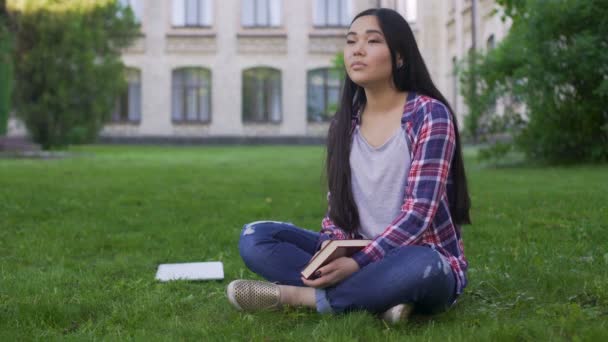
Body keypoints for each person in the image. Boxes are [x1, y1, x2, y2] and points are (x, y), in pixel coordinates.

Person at [226, 7, 471, 323]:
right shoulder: (344, 124)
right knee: (255, 238)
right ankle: (381, 300)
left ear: (399, 57)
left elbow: (418, 215)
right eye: (351, 41)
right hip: (357, 251)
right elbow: (338, 208)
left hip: (419, 254)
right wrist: (332, 251)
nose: (357, 49)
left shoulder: (430, 115)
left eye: (372, 41)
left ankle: (296, 296)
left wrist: (357, 264)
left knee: (419, 265)